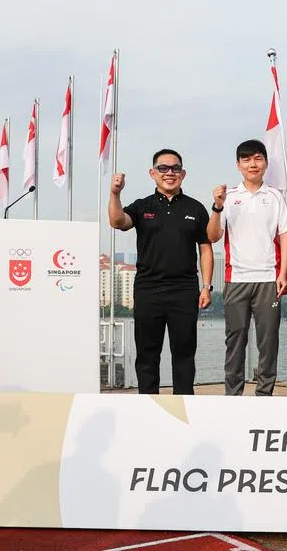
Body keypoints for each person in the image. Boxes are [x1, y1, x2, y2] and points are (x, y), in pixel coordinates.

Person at [108, 149, 212, 395]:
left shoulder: (196, 208)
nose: (169, 173)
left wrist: (206, 286)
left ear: (183, 174)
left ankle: (184, 405)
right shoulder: (142, 206)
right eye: (163, 168)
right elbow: (117, 222)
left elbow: (205, 250)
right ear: (152, 173)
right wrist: (115, 193)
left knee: (184, 353)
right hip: (148, 289)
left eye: (175, 168)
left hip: (184, 290)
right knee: (147, 353)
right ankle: (148, 405)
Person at [206, 139, 287, 396]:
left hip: (268, 279)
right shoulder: (229, 197)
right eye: (246, 160)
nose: (252, 164)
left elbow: (285, 234)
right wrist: (218, 206)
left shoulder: (275, 196)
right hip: (237, 279)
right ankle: (233, 396)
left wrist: (283, 272)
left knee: (268, 343)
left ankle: (264, 395)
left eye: (258, 159)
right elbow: (212, 236)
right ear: (238, 165)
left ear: (265, 163)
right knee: (235, 341)